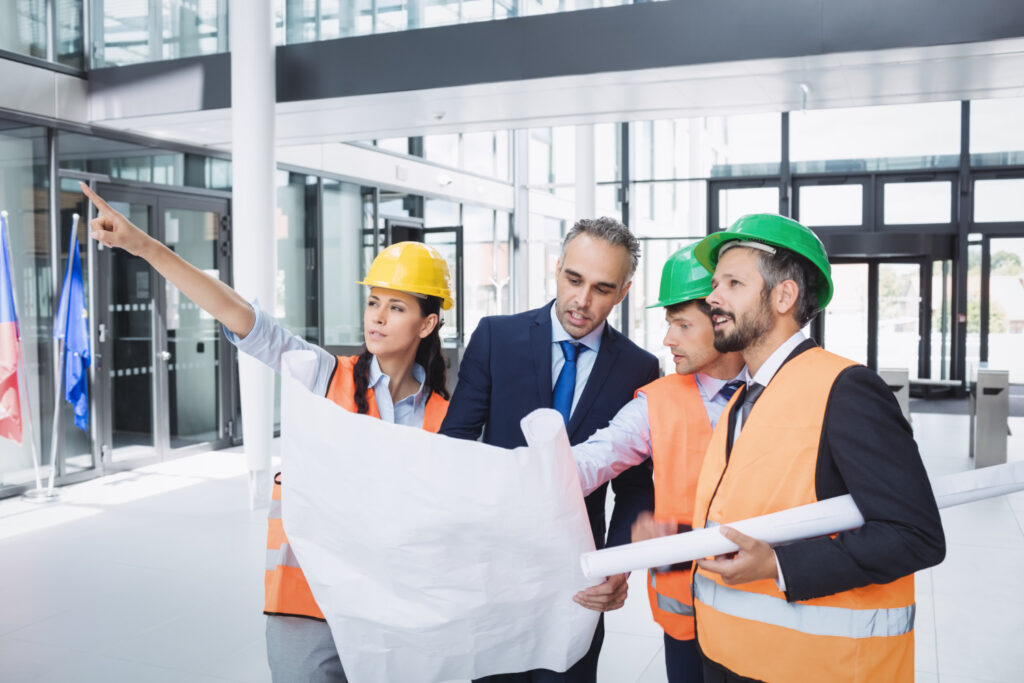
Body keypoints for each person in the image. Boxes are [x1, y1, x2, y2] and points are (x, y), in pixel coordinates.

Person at [82, 183, 453, 683]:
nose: (378, 317)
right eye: (374, 302)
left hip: (394, 606)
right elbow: (241, 316)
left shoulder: (446, 419)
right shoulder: (325, 376)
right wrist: (142, 246)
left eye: (397, 307)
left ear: (427, 324)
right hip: (307, 603)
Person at [689, 213, 945, 683]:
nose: (713, 297)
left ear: (783, 296)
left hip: (812, 669)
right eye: (715, 282)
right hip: (727, 657)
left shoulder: (846, 389)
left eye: (732, 283)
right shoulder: (744, 398)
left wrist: (779, 564)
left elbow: (915, 535)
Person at [440, 217, 660, 683]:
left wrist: (616, 566)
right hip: (492, 567)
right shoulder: (497, 337)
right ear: (557, 268)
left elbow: (637, 488)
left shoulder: (640, 368)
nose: (582, 301)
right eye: (573, 279)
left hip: (576, 574)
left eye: (602, 288)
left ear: (623, 292)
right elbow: (454, 446)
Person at [571, 243, 744, 683]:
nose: (668, 340)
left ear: (723, 320)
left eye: (683, 325)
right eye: (669, 325)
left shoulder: (777, 392)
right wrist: (522, 476)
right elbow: (597, 456)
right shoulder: (658, 401)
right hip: (685, 618)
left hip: (764, 613)